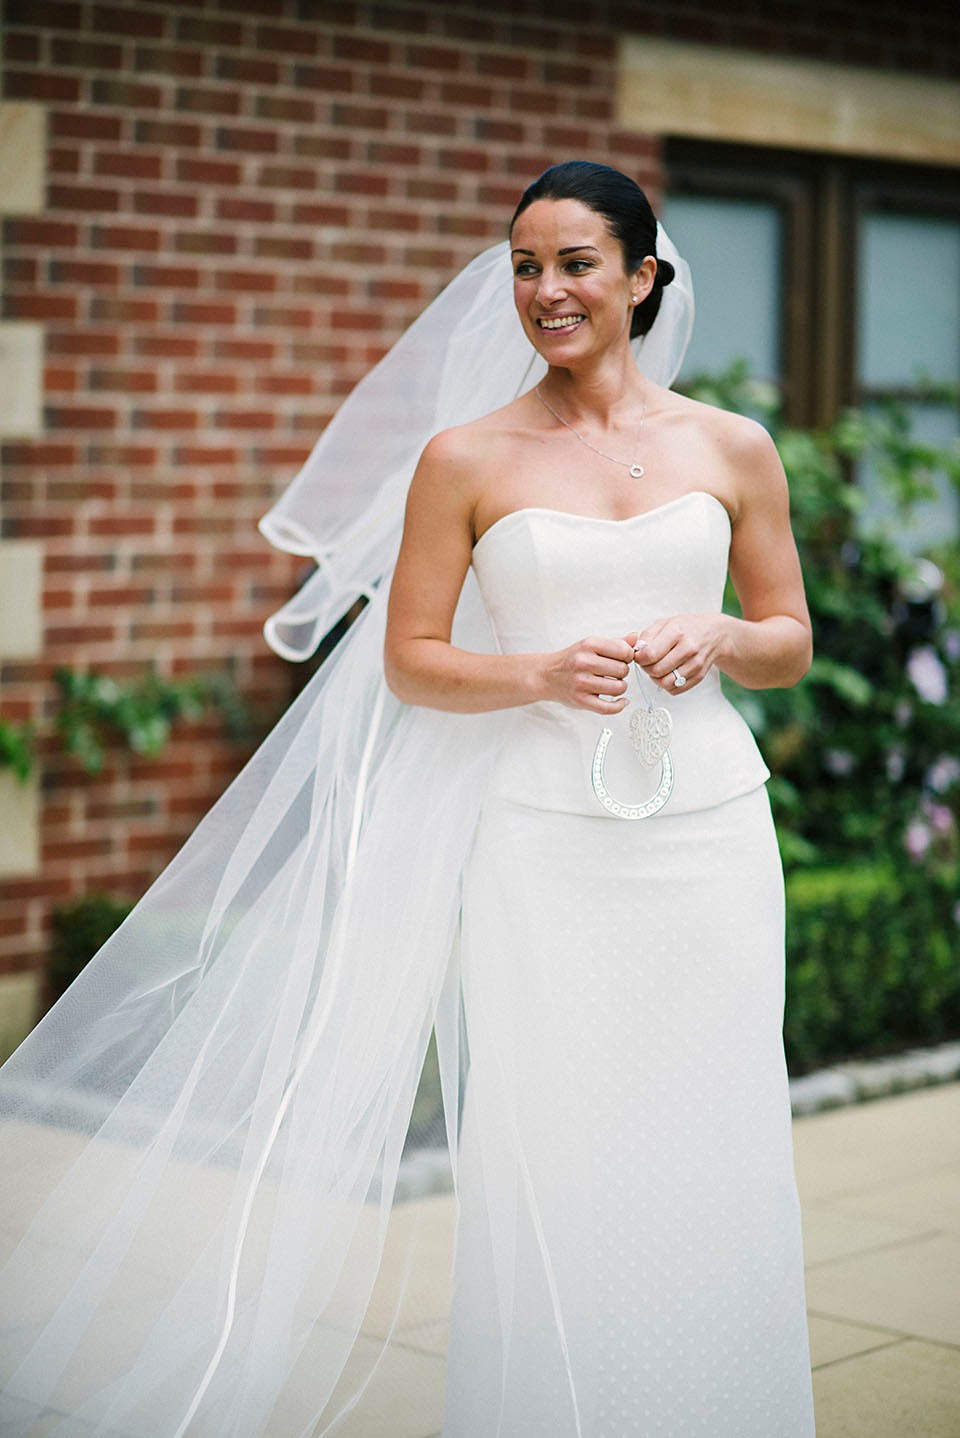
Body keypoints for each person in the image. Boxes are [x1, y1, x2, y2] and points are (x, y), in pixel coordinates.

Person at [0, 162, 815, 1437]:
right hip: (541, 845)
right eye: (526, 265)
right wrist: (540, 665)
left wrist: (719, 633)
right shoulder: (467, 456)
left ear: (643, 277)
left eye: (577, 263)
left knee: (714, 1130)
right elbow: (411, 661)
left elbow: (790, 638)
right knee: (556, 1142)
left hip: (708, 833)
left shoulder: (732, 447)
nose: (546, 290)